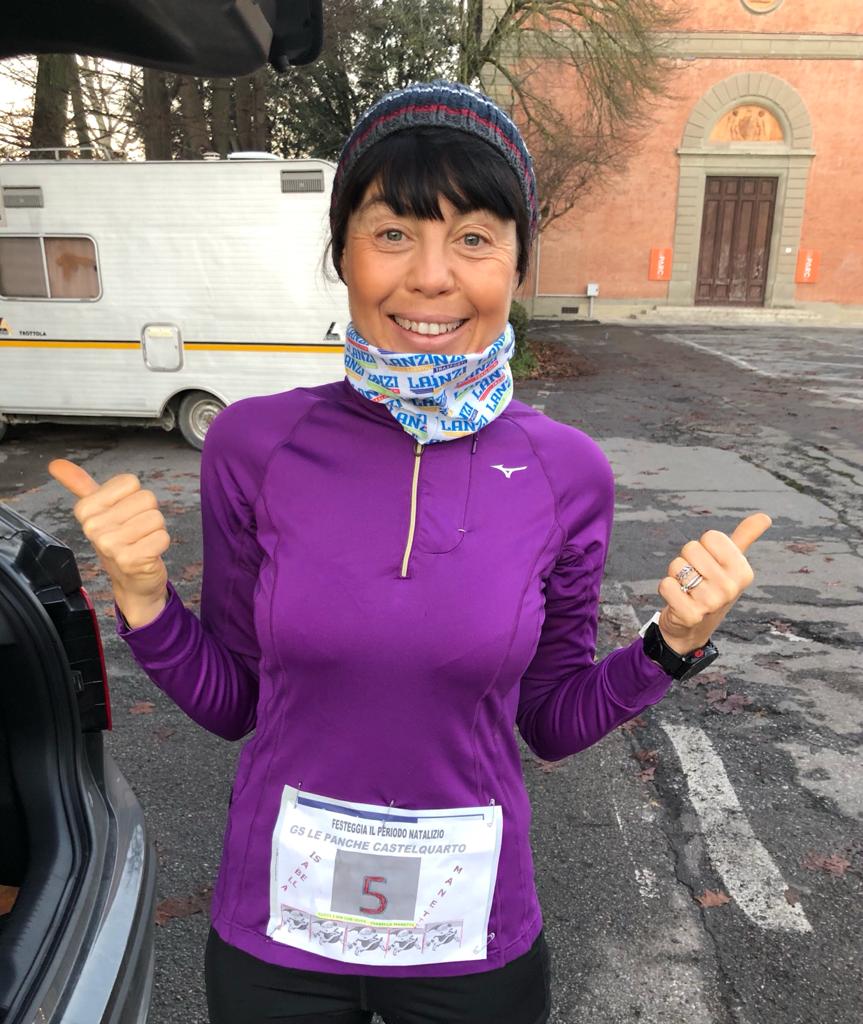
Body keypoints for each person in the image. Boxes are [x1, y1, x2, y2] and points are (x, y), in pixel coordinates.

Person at [49, 80, 771, 1024]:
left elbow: (550, 721)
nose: (431, 276)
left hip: (469, 939)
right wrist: (144, 597)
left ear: (517, 264)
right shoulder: (254, 446)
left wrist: (670, 645)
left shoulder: (566, 472)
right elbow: (236, 705)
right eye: (392, 231)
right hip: (278, 932)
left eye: (472, 237)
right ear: (341, 252)